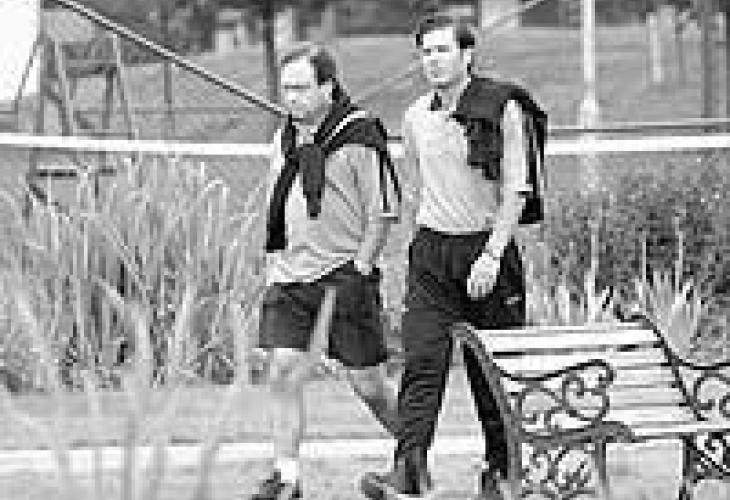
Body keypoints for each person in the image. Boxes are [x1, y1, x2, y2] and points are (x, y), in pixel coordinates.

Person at [361, 13, 547, 500]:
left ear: (467, 55)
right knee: (422, 363)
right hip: (432, 254)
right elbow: (417, 189)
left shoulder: (502, 110)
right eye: (425, 52)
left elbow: (517, 189)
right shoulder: (415, 118)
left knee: (491, 374)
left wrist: (492, 254)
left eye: (443, 50)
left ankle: (500, 472)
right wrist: (413, 249)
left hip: (487, 252)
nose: (433, 60)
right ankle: (409, 471)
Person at [249, 43, 403, 500]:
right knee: (283, 369)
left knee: (370, 386)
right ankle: (286, 478)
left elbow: (384, 211)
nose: (291, 98)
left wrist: (361, 267)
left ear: (327, 87)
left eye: (301, 88)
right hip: (291, 276)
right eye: (286, 89)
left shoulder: (360, 138)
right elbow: (280, 199)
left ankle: (414, 456)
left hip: (343, 275)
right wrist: (276, 261)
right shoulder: (285, 138)